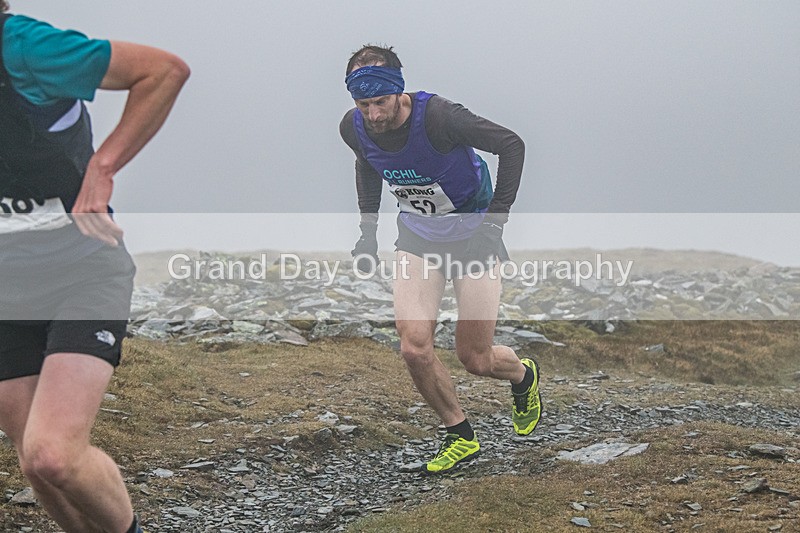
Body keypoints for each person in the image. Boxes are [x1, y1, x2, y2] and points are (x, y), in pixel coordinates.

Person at [0, 4, 189, 533]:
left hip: (81, 270)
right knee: (36, 468)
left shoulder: (24, 48)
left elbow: (163, 71)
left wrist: (103, 167)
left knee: (53, 454)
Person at [340, 45, 541, 474]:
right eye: (363, 104)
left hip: (474, 239)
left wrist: (494, 225)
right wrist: (368, 233)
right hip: (419, 239)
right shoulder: (354, 128)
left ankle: (523, 376)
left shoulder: (439, 117)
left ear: (398, 90)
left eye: (380, 102)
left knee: (476, 358)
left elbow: (512, 145)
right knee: (414, 347)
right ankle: (459, 433)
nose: (373, 114)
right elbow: (367, 164)